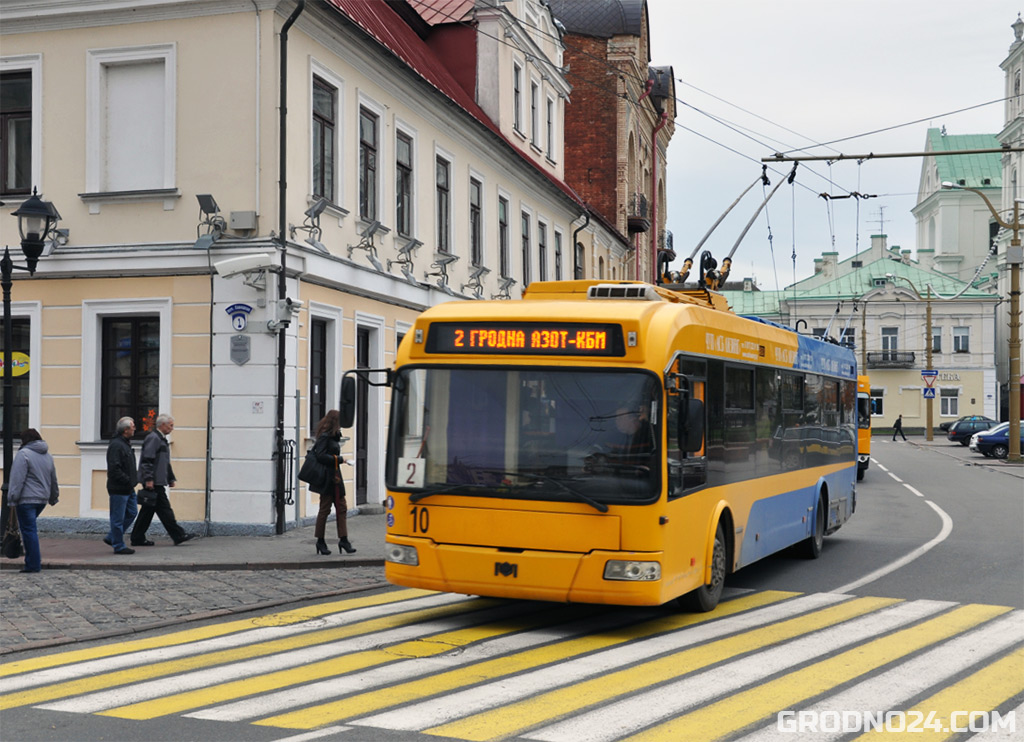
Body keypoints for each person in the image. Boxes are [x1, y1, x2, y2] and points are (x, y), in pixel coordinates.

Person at [130, 414, 193, 546]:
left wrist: (170, 478)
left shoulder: (161, 439)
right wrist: (148, 479)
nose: (172, 428)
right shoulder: (154, 438)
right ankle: (178, 535)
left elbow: (164, 462)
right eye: (171, 425)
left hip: (157, 480)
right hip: (154, 482)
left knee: (148, 512)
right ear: (162, 425)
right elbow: (147, 460)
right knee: (164, 510)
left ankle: (137, 537)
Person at [7, 429, 59, 573]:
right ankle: (32, 561)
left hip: (26, 499)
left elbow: (17, 479)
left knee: (29, 531)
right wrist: (54, 497)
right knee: (30, 530)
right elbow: (53, 479)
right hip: (41, 500)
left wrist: (12, 498)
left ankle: (33, 564)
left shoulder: (23, 454)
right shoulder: (48, 456)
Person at [310, 410, 355, 556]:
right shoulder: (324, 437)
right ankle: (320, 541)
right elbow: (321, 456)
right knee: (325, 510)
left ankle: (344, 540)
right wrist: (340, 459)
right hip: (327, 479)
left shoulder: (334, 436)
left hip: (336, 477)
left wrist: (338, 460)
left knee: (342, 508)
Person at [105, 416, 138, 554]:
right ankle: (118, 545)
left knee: (132, 512)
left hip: (127, 487)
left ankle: (112, 537)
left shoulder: (125, 443)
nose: (135, 428)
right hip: (119, 487)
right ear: (126, 430)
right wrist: (127, 480)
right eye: (132, 427)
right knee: (117, 518)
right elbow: (114, 468)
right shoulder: (117, 445)